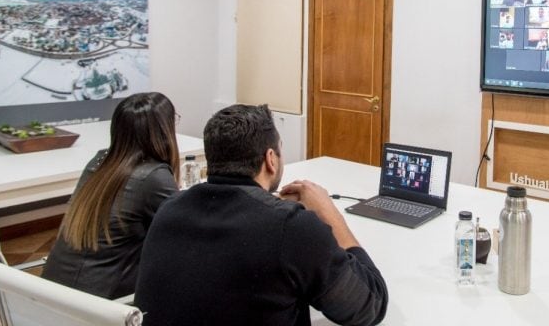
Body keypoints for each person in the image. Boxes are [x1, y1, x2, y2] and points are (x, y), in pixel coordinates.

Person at [134, 104, 388, 326]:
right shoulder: (291, 227)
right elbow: (369, 306)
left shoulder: (169, 210)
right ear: (270, 159)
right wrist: (328, 213)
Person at [42, 92, 180, 298]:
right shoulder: (153, 176)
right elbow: (183, 234)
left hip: (50, 295)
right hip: (100, 305)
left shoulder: (99, 162)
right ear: (163, 129)